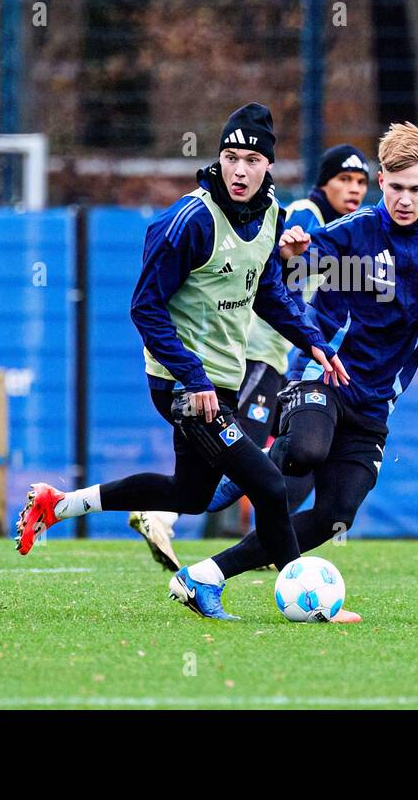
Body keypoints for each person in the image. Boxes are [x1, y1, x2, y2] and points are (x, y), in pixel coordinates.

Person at [174, 121, 418, 619]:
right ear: (382, 181)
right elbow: (289, 270)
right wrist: (293, 251)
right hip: (323, 379)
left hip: (374, 405)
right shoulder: (352, 232)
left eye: (416, 189)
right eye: (396, 187)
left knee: (334, 515)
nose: (405, 199)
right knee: (306, 453)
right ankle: (247, 472)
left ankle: (204, 575)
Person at [13, 102, 350, 620]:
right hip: (182, 385)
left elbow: (266, 292)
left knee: (189, 495)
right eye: (231, 157)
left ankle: (59, 504)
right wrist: (191, 377)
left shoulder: (269, 217)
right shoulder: (188, 221)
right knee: (267, 484)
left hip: (223, 380)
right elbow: (144, 307)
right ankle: (302, 602)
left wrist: (313, 342)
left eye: (251, 160)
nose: (239, 170)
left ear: (269, 168)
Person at [130, 144, 372, 567]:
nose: (353, 189)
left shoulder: (341, 226)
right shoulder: (303, 215)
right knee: (244, 451)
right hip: (259, 350)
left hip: (281, 355)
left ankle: (264, 540)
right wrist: (295, 255)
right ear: (323, 183)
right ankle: (163, 513)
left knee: (274, 455)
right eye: (343, 180)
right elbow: (275, 268)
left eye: (360, 182)